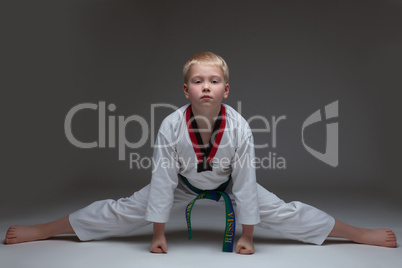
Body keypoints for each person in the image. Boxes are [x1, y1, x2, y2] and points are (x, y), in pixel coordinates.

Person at [4, 52, 397, 254]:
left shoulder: (240, 127)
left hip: (228, 185)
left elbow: (245, 183)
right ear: (185, 90)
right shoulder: (171, 125)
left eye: (214, 80)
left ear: (227, 89)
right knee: (121, 210)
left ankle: (356, 234)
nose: (205, 86)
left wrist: (248, 236)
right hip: (181, 186)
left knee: (285, 212)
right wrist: (157, 233)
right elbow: (161, 179)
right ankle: (45, 229)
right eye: (197, 81)